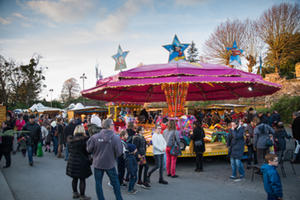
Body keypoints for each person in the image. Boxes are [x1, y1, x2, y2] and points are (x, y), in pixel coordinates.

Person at [87, 118, 123, 200]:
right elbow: (119, 153)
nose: (114, 126)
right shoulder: (116, 138)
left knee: (98, 184)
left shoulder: (94, 137)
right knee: (115, 183)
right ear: (110, 126)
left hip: (98, 163)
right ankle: (119, 198)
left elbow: (89, 149)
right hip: (110, 164)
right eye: (113, 124)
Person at [66, 125, 92, 200]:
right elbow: (88, 151)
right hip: (82, 161)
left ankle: (75, 193)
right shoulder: (85, 140)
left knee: (74, 179)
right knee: (82, 179)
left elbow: (69, 151)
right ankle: (82, 196)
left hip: (72, 161)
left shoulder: (70, 140)